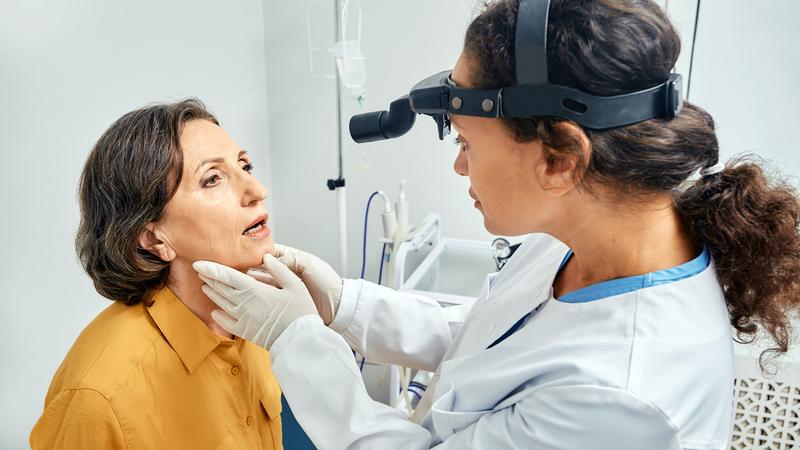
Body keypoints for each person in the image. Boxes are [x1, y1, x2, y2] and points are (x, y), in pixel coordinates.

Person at [194, 0, 800, 448]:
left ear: (559, 158)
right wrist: (342, 305)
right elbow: (493, 340)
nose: (459, 164)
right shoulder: (582, 234)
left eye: (464, 142)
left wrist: (297, 341)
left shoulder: (623, 394)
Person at [31, 99, 284, 449]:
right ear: (153, 238)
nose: (258, 191)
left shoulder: (251, 326)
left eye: (245, 165)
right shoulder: (98, 397)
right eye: (212, 179)